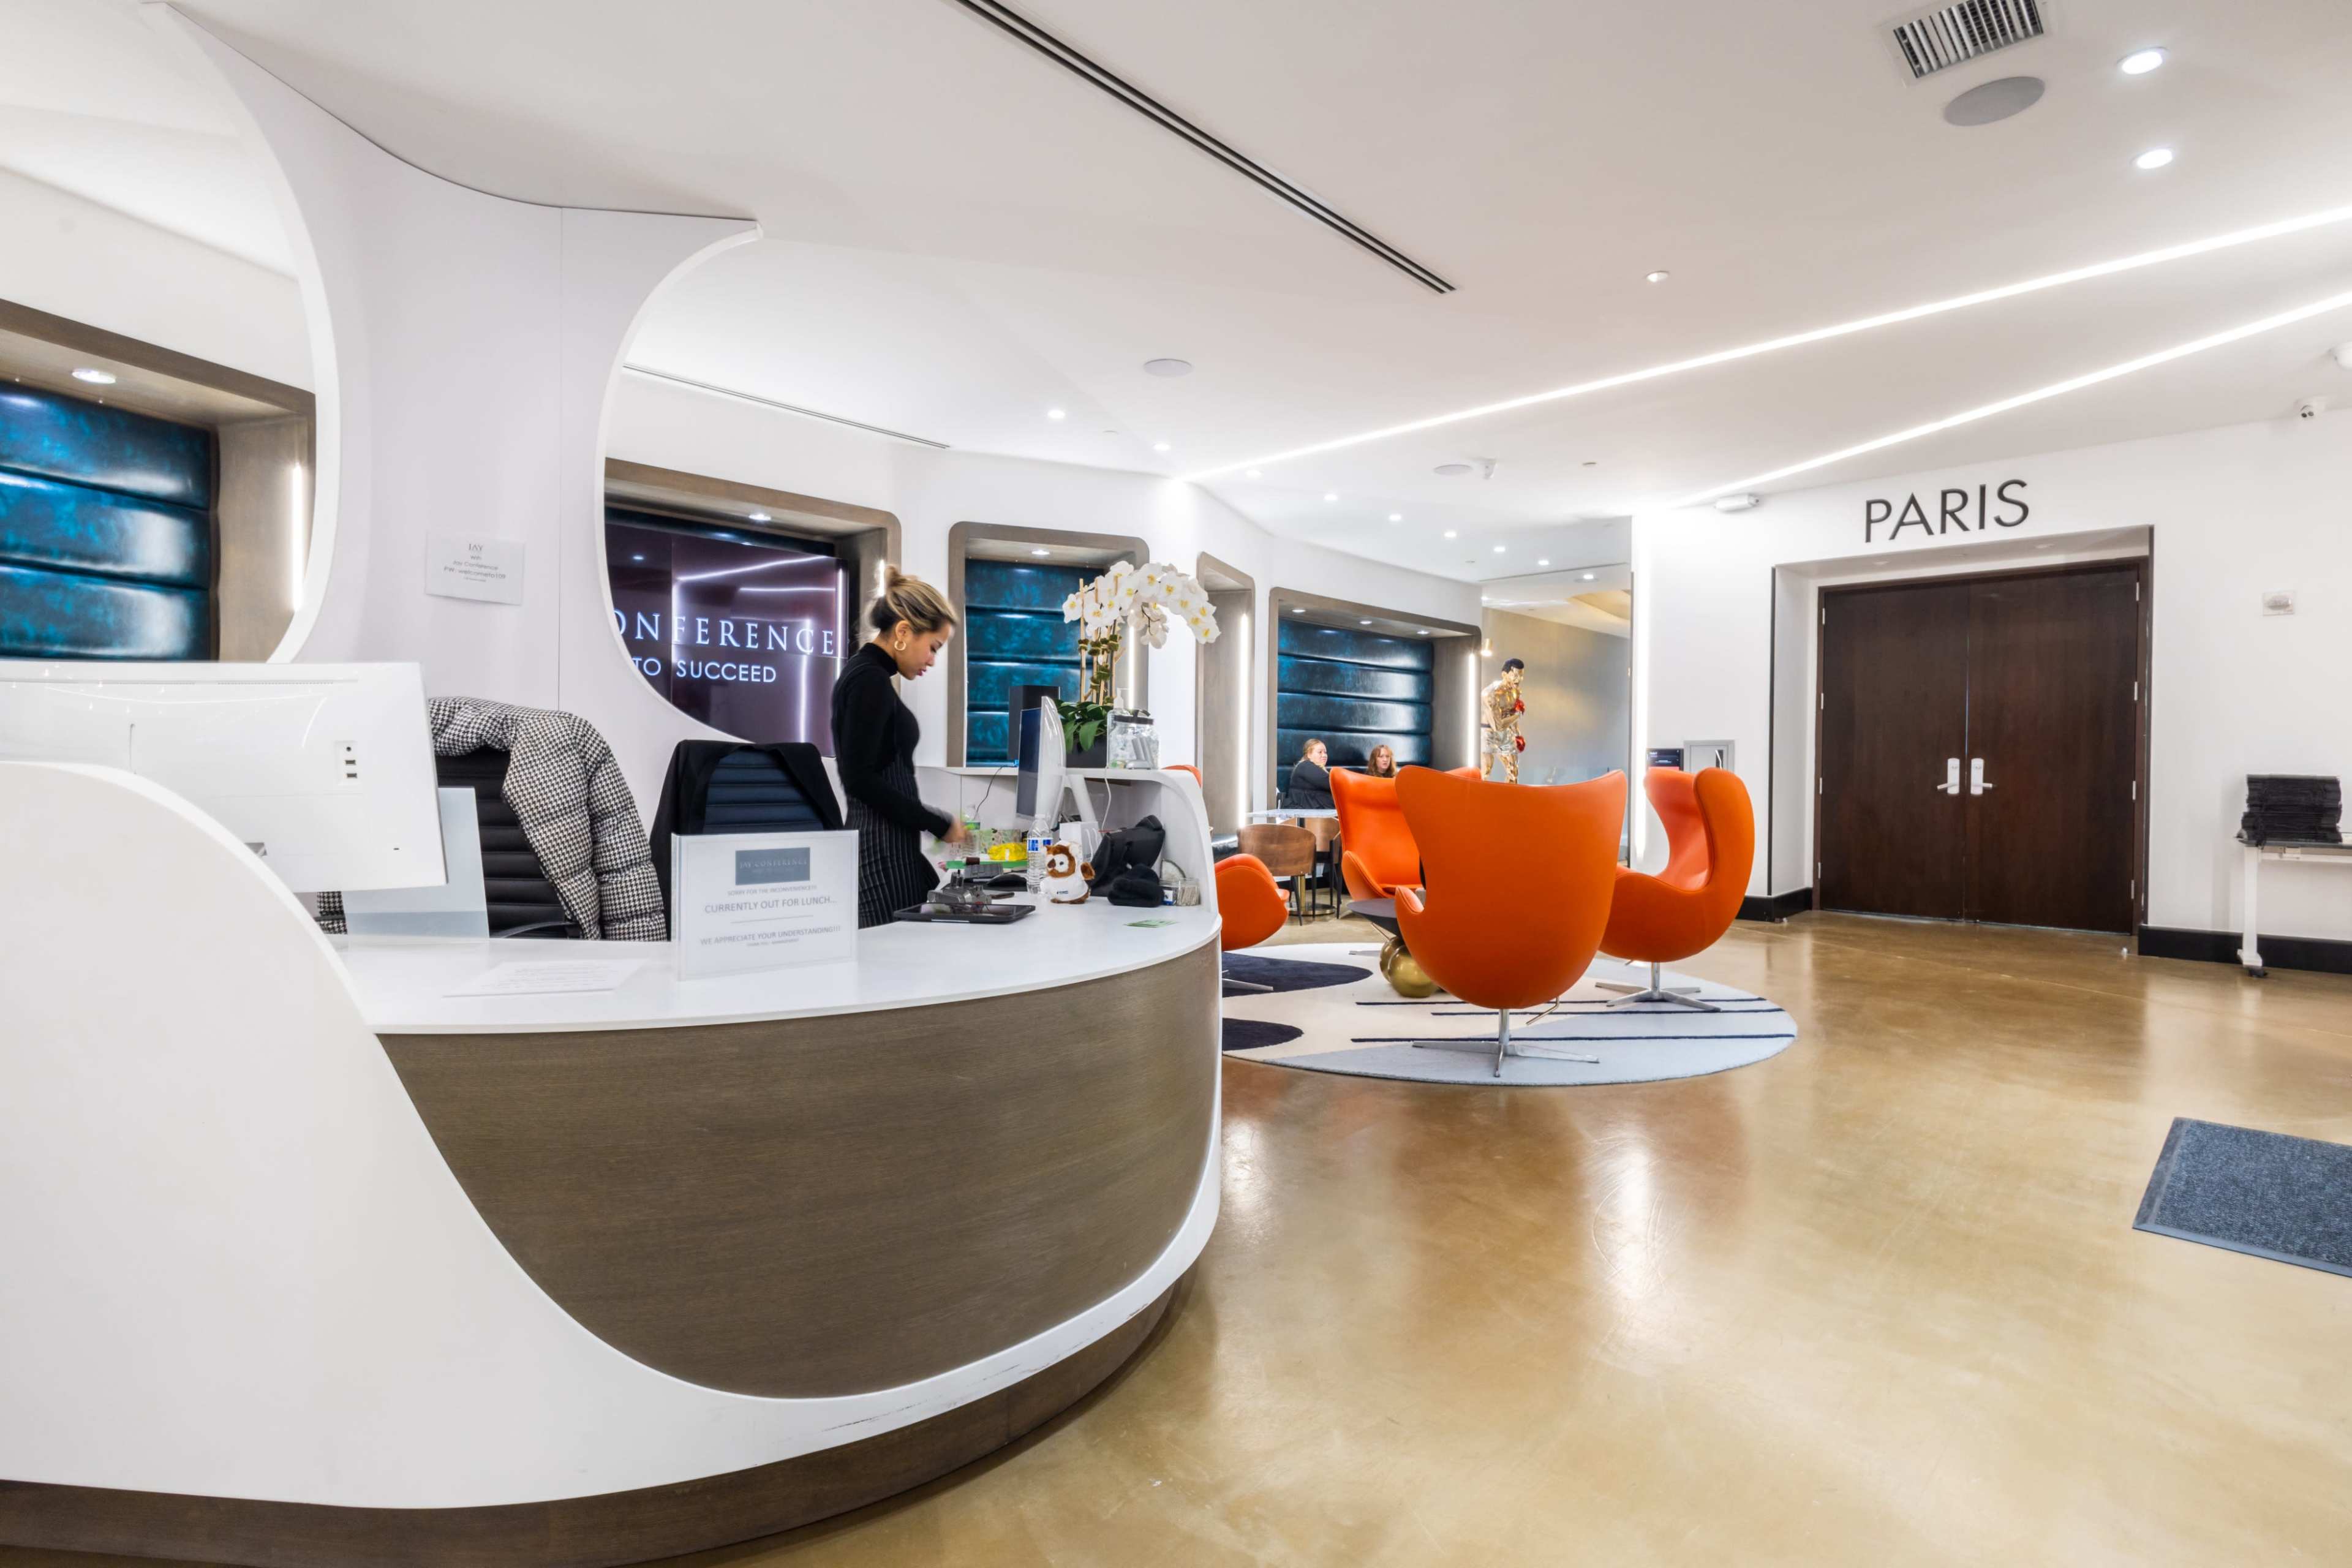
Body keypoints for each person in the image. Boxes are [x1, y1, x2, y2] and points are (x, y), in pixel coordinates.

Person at [831, 568, 969, 928]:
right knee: (892, 970)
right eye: (934, 648)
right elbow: (858, 778)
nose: (932, 661)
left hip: (889, 846)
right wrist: (937, 822)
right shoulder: (868, 680)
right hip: (879, 852)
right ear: (904, 632)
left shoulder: (869, 676)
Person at [1480, 658, 1528, 783]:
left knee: (1513, 770)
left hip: (1506, 734)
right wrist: (1519, 715)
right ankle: (1480, 798)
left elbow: (1511, 716)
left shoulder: (1516, 692)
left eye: (1521, 676)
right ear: (1505, 675)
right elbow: (1498, 726)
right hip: (1489, 733)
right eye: (1515, 676)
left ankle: (1511, 799)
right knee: (1486, 770)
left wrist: (1518, 735)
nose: (1519, 680)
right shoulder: (1490, 694)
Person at [1284, 737, 1335, 810]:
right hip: (1310, 817)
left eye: (1325, 752)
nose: (1324, 755)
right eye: (1320, 752)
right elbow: (1331, 783)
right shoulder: (1305, 766)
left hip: (1324, 815)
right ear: (1309, 755)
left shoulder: (1317, 770)